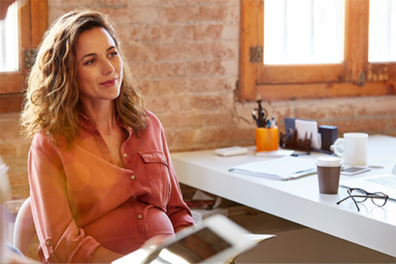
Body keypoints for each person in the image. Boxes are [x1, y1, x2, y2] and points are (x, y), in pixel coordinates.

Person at [20, 10, 194, 263]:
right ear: (67, 73)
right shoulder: (50, 143)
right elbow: (60, 243)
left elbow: (177, 211)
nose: (109, 68)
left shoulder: (150, 125)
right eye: (91, 61)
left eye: (112, 54)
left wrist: (194, 252)